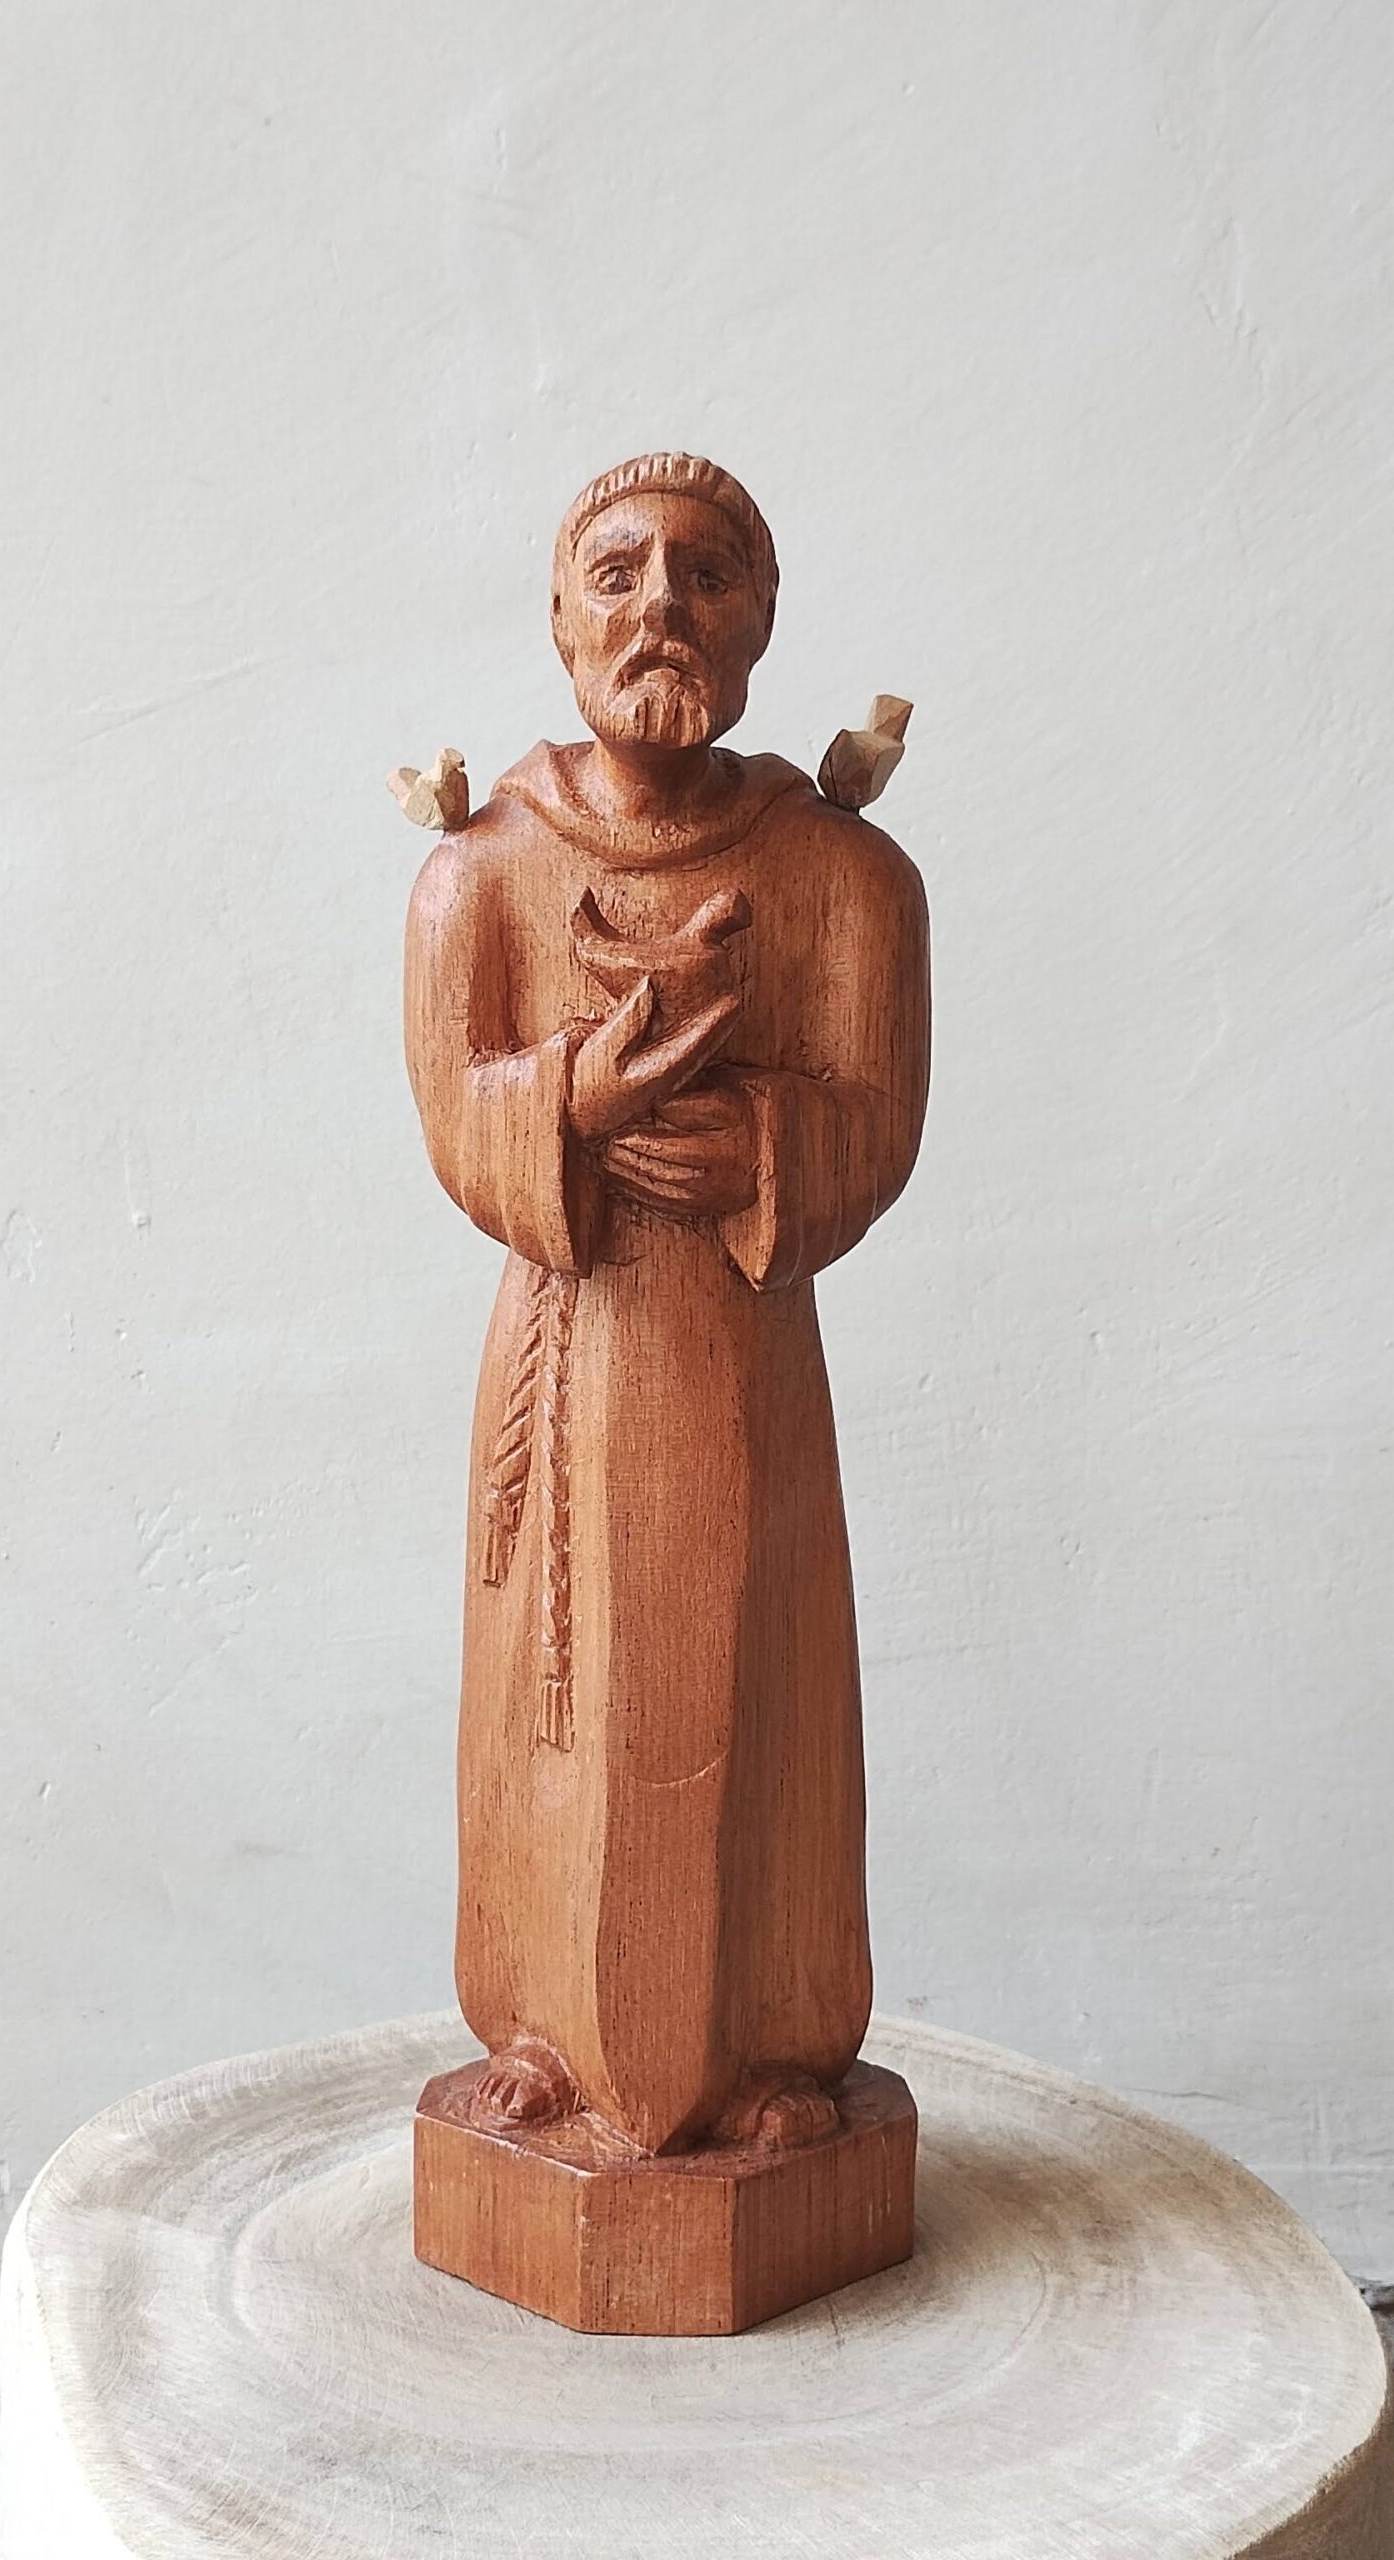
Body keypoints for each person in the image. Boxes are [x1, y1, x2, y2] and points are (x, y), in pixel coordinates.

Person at [405, 453, 930, 2155]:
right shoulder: (480, 873)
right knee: (549, 1700)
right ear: (560, 616)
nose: (662, 611)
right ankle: (545, 2033)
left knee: (758, 1685)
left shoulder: (842, 876)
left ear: (762, 619)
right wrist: (570, 1101)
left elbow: (879, 1114)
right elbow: (453, 1111)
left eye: (708, 577)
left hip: (740, 1361)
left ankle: (777, 2046)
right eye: (618, 573)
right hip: (568, 1358)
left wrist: (763, 1148)